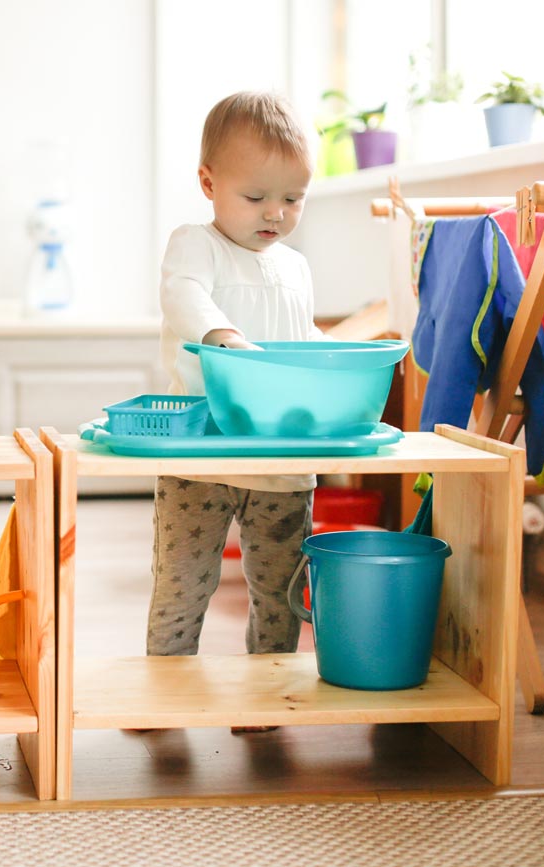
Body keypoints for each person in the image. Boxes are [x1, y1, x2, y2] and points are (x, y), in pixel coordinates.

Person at [149, 92, 320, 729]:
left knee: (278, 589)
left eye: (293, 198)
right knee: (182, 582)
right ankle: (163, 694)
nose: (276, 213)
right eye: (256, 198)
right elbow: (183, 295)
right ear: (208, 183)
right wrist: (223, 337)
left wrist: (351, 360)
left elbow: (303, 342)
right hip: (201, 449)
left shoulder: (296, 268)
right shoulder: (195, 245)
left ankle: (265, 693)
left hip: (280, 456)